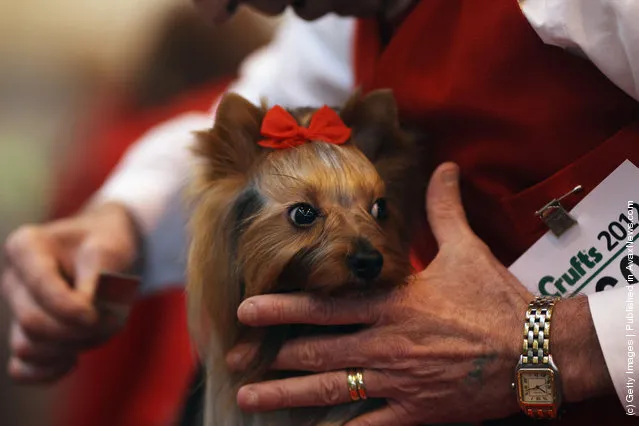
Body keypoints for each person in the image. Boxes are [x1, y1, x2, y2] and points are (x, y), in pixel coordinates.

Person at [2, 0, 639, 424]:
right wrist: (119, 226)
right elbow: (250, 123)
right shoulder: (339, 21)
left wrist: (552, 344)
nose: (216, 11)